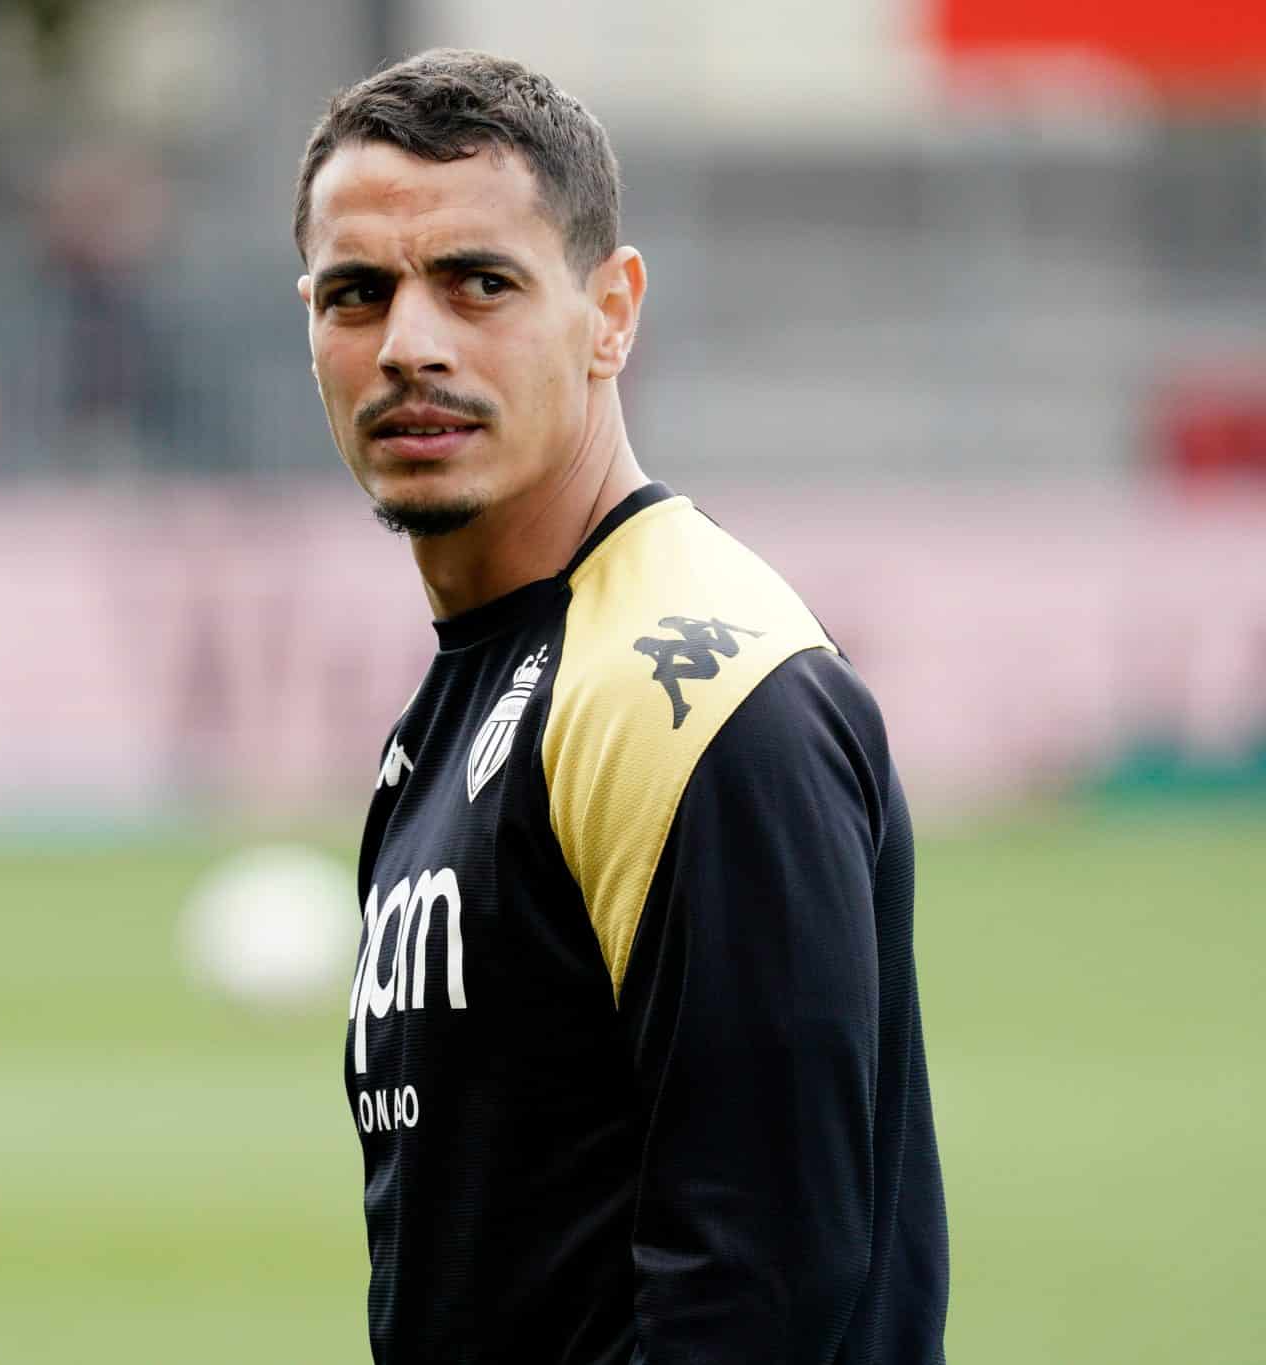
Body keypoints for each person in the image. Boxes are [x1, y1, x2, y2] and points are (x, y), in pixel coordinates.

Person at [292, 50, 948, 1363]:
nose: (409, 345)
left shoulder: (696, 698)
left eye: (480, 283)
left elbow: (760, 1288)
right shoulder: (475, 691)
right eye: (358, 294)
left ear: (611, 313)